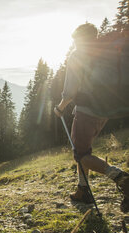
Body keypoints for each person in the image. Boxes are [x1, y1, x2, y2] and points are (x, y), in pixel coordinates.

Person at [54, 23, 129, 212]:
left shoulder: (79, 54)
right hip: (105, 110)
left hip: (87, 110)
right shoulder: (105, 52)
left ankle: (121, 177)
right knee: (84, 149)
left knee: (81, 156)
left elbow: (70, 90)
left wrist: (60, 108)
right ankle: (83, 190)